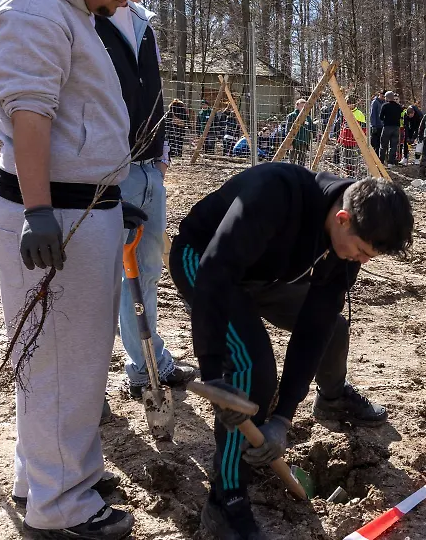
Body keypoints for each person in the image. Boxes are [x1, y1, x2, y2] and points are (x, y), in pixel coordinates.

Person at [0, 0, 158, 536]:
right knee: (66, 362)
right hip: (54, 214)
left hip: (76, 206)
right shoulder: (36, 13)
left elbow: (76, 120)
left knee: (59, 360)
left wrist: (104, 194)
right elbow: (30, 115)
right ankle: (62, 506)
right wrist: (38, 211)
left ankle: (45, 480)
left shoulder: (70, 12)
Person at [168, 165, 413, 539]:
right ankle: (226, 500)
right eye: (361, 251)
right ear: (343, 219)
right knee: (253, 368)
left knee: (332, 330)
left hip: (266, 276)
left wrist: (282, 420)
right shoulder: (275, 194)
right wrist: (215, 374)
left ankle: (332, 398)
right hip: (205, 259)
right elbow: (218, 271)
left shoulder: (344, 245)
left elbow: (316, 323)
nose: (361, 261)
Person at [95, 0, 197, 402]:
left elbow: (152, 91)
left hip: (148, 168)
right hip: (103, 174)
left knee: (145, 274)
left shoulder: (142, 23)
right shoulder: (85, 20)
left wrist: (161, 157)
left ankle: (145, 364)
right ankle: (89, 386)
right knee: (100, 279)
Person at [285, 98, 315, 166]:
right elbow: (287, 130)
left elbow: (312, 128)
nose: (303, 108)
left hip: (304, 143)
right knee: (292, 162)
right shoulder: (292, 116)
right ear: (297, 106)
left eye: (305, 106)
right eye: (302, 106)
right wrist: (289, 143)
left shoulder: (307, 117)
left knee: (302, 163)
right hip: (294, 143)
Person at [379, 91, 403, 167]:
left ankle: (381, 162)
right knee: (393, 146)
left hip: (387, 127)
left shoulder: (385, 106)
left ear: (387, 98)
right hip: (396, 128)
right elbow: (399, 116)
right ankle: (390, 163)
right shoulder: (399, 106)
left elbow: (381, 117)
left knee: (383, 145)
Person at [369, 89, 385, 157]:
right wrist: (373, 125)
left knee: (380, 143)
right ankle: (372, 157)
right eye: (382, 96)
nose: (383, 97)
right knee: (374, 143)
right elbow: (372, 114)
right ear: (379, 94)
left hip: (382, 126)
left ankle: (379, 157)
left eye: (384, 96)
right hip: (376, 126)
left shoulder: (384, 102)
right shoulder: (375, 102)